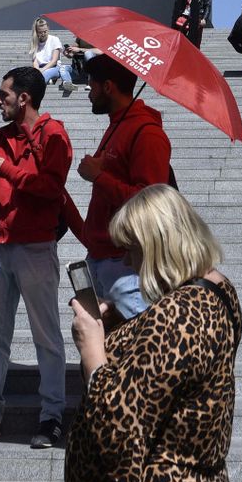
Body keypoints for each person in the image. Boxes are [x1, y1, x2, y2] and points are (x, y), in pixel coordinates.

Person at [62, 185, 241, 482]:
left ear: (160, 245)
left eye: (132, 248)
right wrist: (119, 325)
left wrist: (92, 352)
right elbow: (167, 369)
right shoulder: (215, 289)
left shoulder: (179, 313)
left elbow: (121, 437)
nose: (127, 261)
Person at [0, 67, 74, 449]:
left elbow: (51, 189)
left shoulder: (54, 135)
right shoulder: (0, 137)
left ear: (24, 98)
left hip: (36, 245)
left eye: (4, 94)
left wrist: (9, 169)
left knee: (47, 337)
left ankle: (52, 416)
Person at [76, 54, 174, 320]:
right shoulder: (117, 125)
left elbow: (150, 201)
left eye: (91, 85)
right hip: (102, 257)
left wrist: (99, 177)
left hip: (125, 264)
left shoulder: (147, 133)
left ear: (108, 86)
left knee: (139, 346)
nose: (89, 93)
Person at [29, 17, 76, 96]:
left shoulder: (54, 39)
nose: (43, 34)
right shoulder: (34, 42)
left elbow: (54, 60)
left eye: (45, 31)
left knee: (44, 74)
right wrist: (37, 70)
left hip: (54, 67)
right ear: (36, 32)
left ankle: (35, 91)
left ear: (48, 29)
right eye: (40, 32)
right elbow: (35, 61)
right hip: (40, 68)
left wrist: (42, 70)